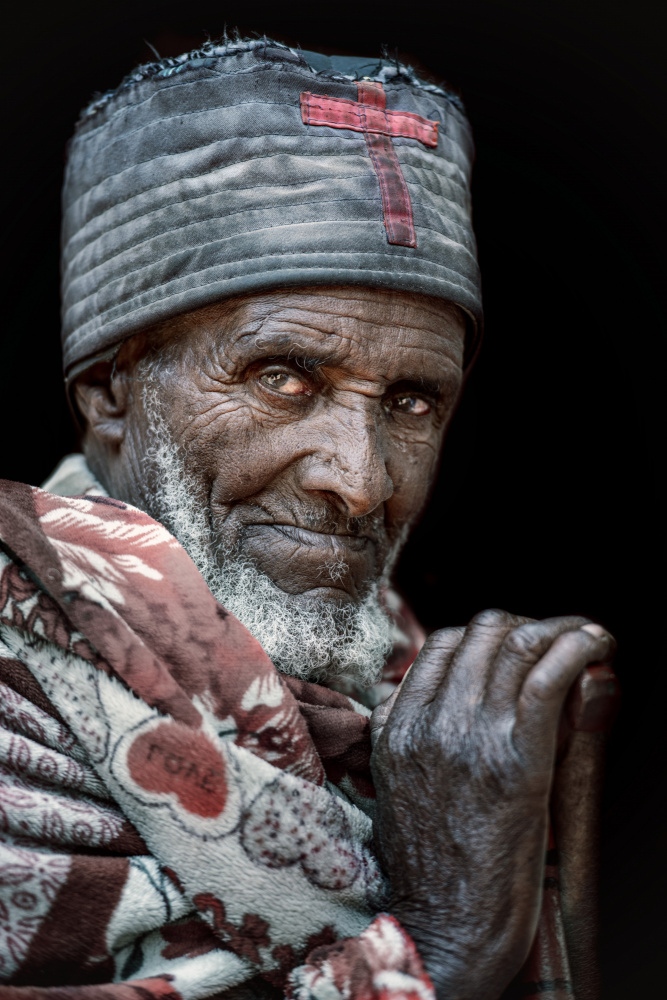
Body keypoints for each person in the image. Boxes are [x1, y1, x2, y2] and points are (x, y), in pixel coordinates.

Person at [0, 37, 618, 1000]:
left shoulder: (419, 696)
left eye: (412, 402)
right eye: (282, 377)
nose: (361, 480)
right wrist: (441, 951)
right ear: (107, 395)